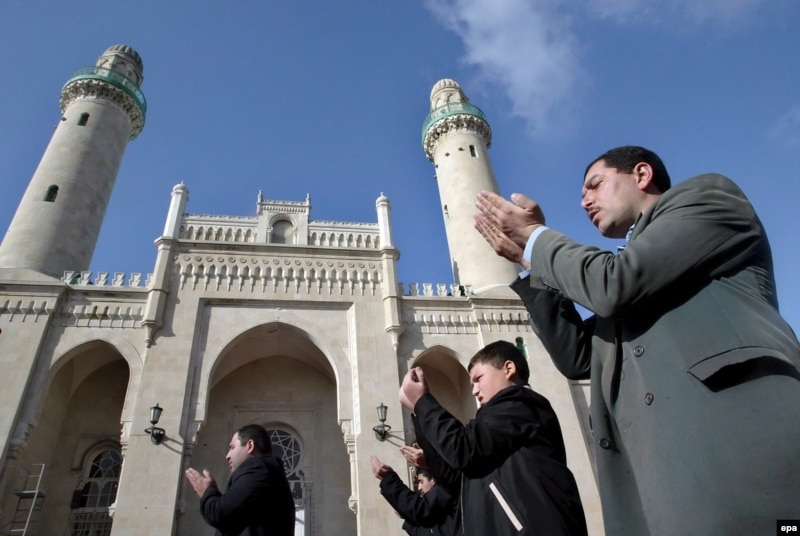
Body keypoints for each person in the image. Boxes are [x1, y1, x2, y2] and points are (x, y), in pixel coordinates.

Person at [474, 145, 800, 534]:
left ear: (642, 175)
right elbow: (577, 356)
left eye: (595, 185)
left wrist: (538, 239)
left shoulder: (706, 199)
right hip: (665, 488)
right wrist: (531, 263)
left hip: (745, 461)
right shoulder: (631, 283)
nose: (584, 202)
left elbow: (616, 283)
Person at [399, 340, 588, 535]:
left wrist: (423, 402)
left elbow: (462, 448)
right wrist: (418, 412)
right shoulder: (500, 418)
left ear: (508, 369)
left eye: (478, 378)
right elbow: (456, 474)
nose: (474, 390)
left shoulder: (520, 403)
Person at [185, 424, 295, 536]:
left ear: (250, 445)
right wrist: (212, 492)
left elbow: (219, 514)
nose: (228, 456)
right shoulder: (267, 473)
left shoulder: (258, 469)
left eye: (232, 447)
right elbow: (234, 519)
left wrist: (207, 492)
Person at [370, 454, 458, 536]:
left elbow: (421, 511)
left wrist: (389, 479)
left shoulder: (447, 489)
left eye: (421, 481)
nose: (419, 487)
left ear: (433, 479)